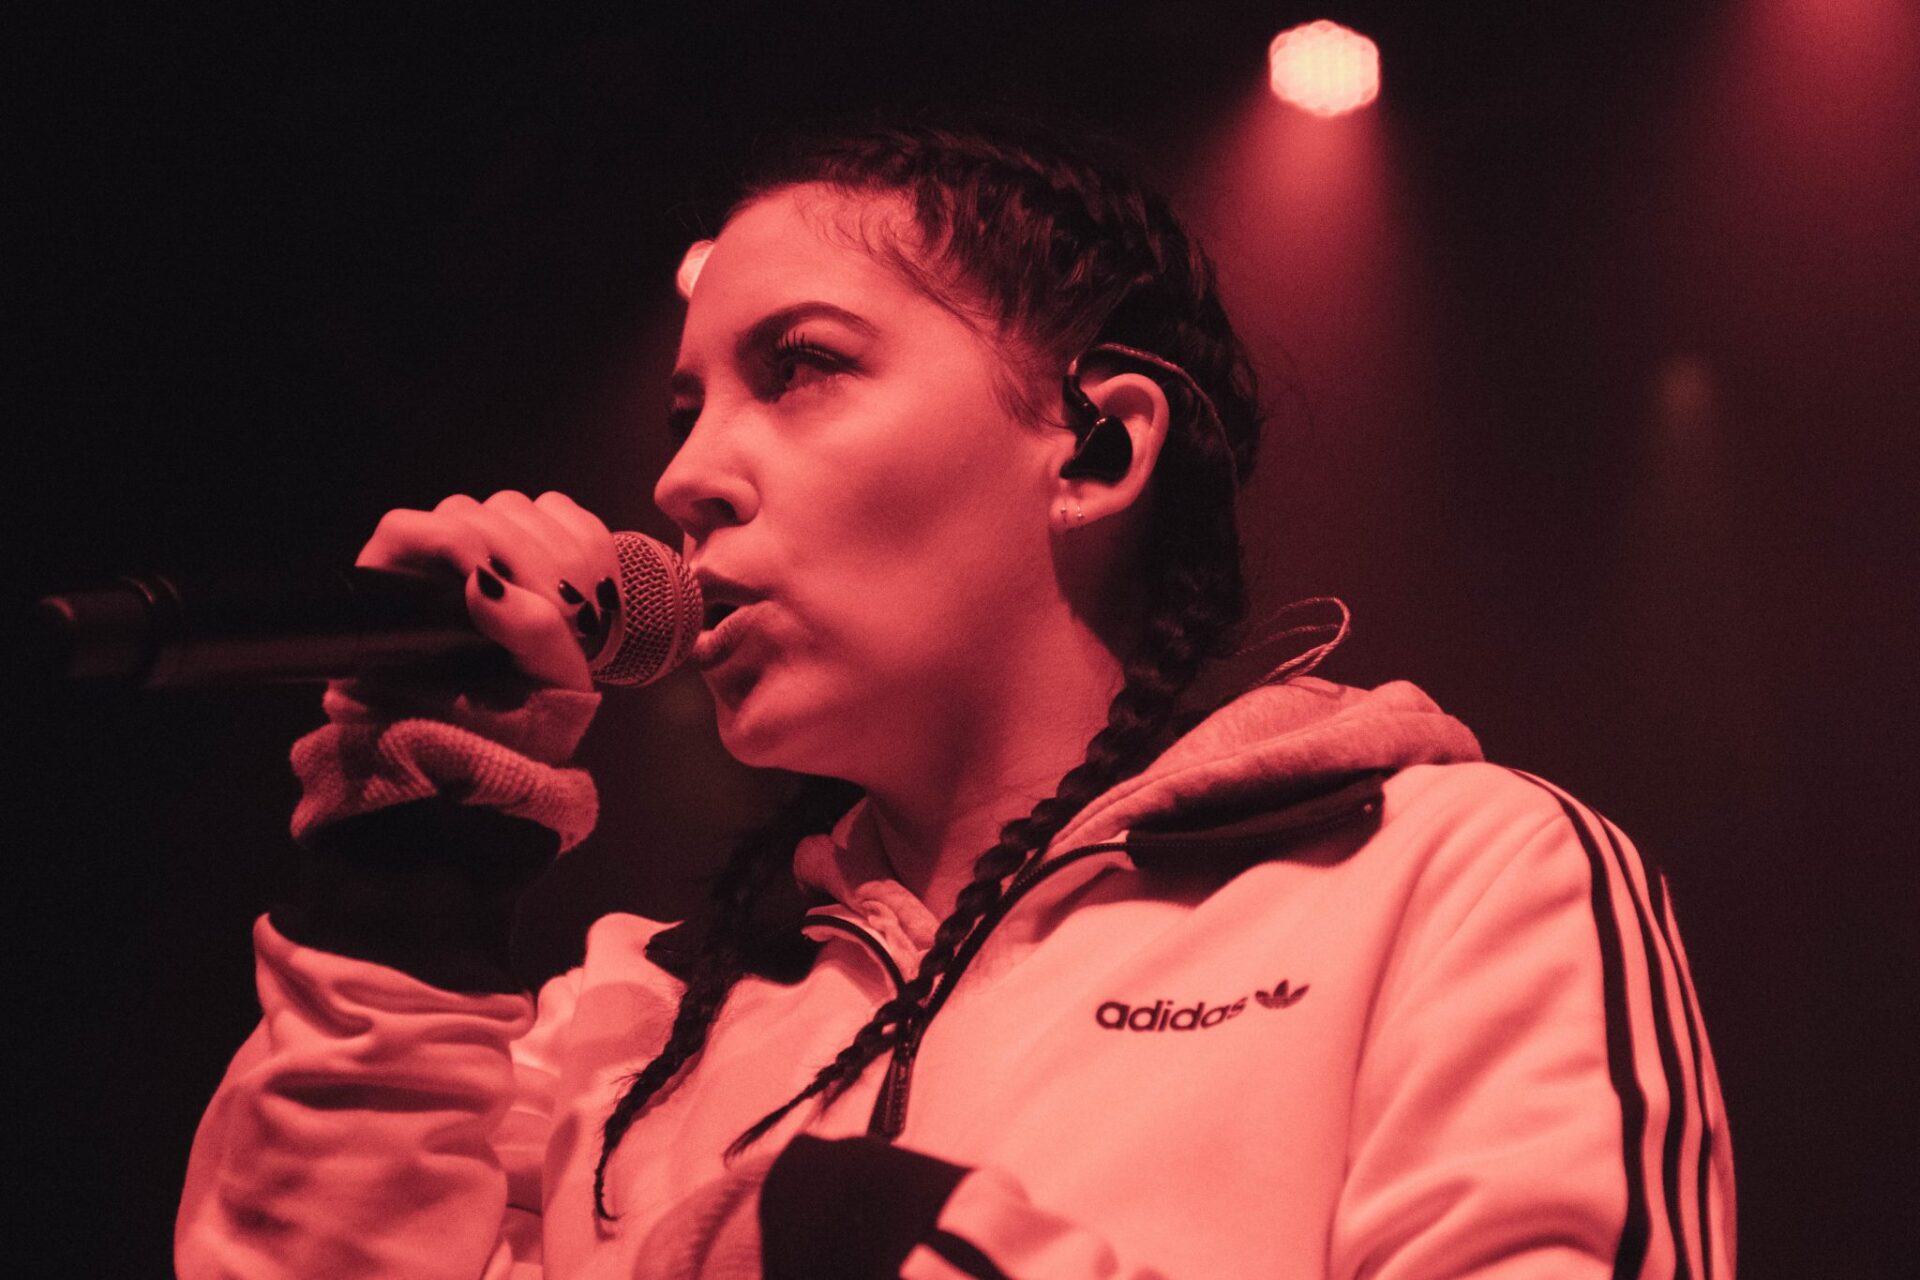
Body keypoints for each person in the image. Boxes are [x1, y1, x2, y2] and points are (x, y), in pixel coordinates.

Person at [176, 121, 1735, 1279]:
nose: (684, 477)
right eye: (685, 407)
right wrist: (403, 912)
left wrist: (914, 1253)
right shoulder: (626, 1019)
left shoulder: (1450, 880)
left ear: (1097, 448)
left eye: (799, 366)